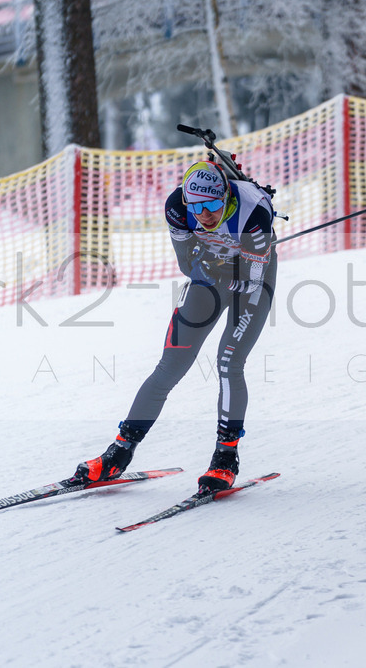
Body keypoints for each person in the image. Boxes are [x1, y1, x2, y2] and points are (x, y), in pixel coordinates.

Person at [72, 160, 278, 494]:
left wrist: (225, 261)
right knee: (169, 366)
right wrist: (207, 264)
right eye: (196, 206)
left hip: (252, 283)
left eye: (212, 206)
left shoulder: (254, 215)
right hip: (209, 278)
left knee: (228, 363)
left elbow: (250, 279)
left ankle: (225, 458)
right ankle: (118, 453)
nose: (204, 215)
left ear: (226, 198)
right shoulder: (176, 209)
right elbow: (187, 265)